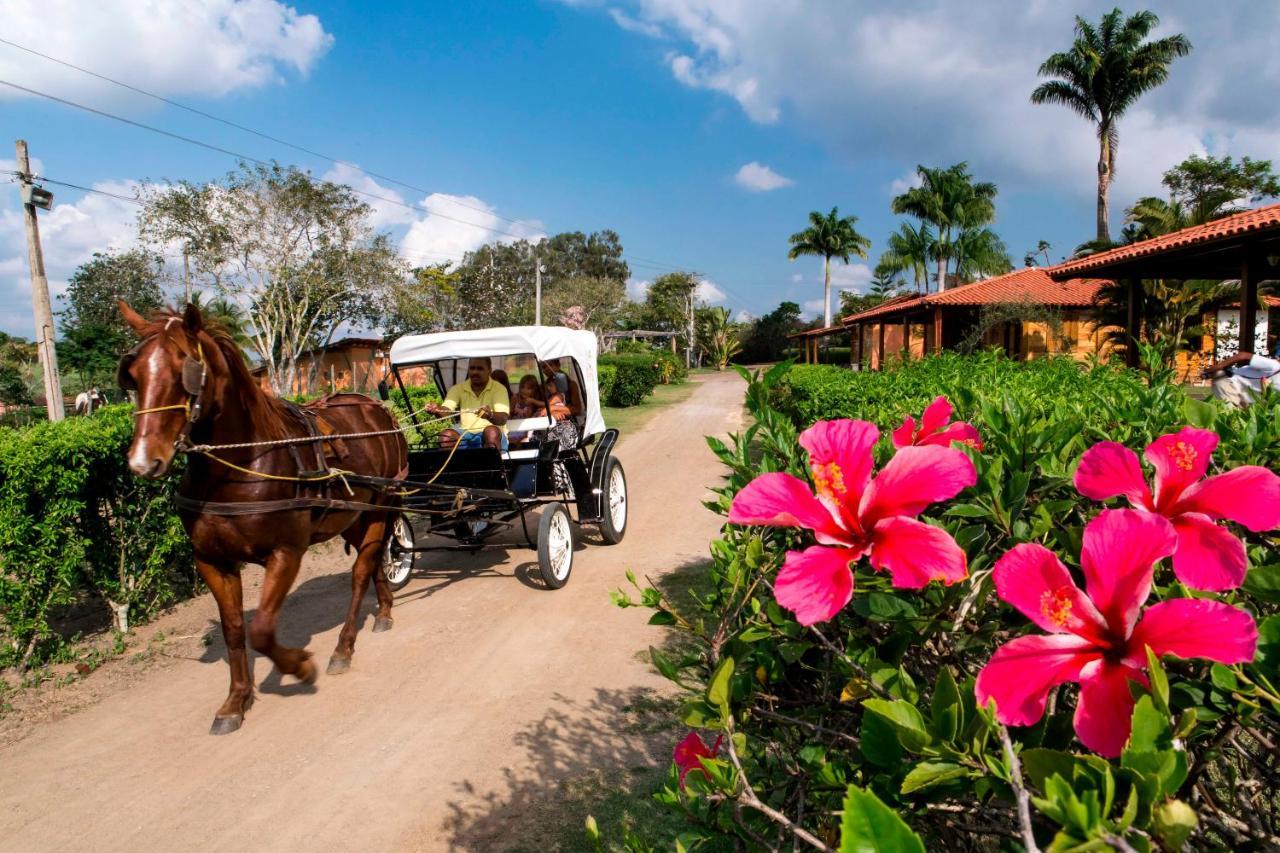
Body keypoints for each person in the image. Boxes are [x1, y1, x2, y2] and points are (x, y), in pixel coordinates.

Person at [425, 357, 510, 450]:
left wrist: (490, 415)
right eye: (472, 368)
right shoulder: (458, 388)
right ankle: (453, 464)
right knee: (446, 436)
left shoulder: (499, 388)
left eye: (480, 369)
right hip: (466, 434)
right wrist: (436, 409)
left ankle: (492, 464)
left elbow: (503, 418)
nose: (475, 372)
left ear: (489, 370)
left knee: (491, 432)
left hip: (493, 436)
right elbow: (446, 410)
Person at [1202, 348, 1280, 407]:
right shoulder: (1274, 366)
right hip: (1229, 384)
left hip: (1246, 400)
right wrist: (1219, 366)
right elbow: (1243, 355)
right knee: (1230, 418)